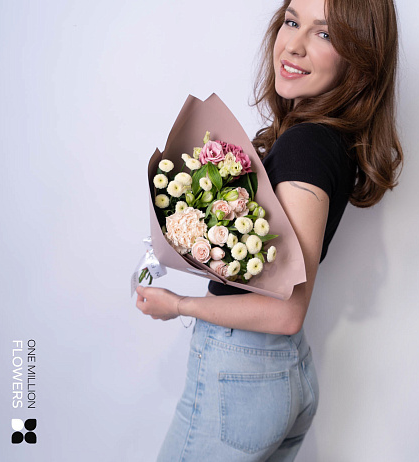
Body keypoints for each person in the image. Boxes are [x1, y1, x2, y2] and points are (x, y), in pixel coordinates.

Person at [136, 0, 403, 460]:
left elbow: (286, 312)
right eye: (292, 21)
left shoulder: (306, 146)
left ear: (359, 59)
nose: (293, 45)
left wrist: (177, 304)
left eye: (325, 34)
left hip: (243, 372)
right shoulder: (324, 138)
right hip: (279, 370)